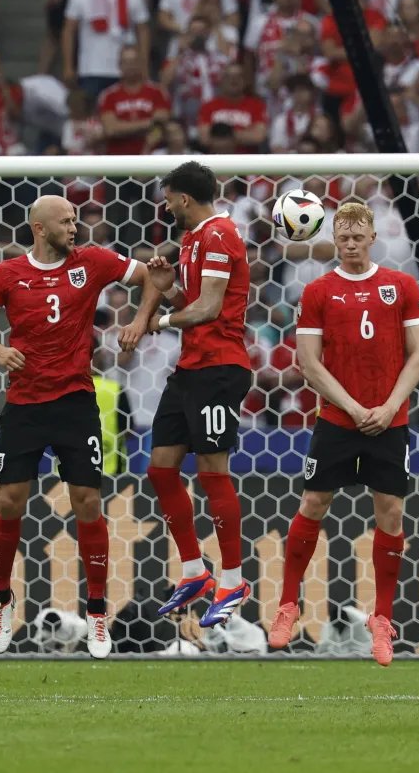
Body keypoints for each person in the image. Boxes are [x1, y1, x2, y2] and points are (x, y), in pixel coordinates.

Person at [0, 195, 159, 657]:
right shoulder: (6, 274)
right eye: (66, 222)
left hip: (75, 401)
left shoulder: (92, 262)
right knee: (9, 501)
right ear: (39, 228)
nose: (75, 228)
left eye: (75, 220)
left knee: (87, 502)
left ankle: (95, 612)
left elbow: (151, 275)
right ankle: (2, 598)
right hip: (25, 403)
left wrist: (139, 318)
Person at [269, 202, 419, 665]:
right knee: (313, 504)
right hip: (340, 420)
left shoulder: (400, 286)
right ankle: (287, 606)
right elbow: (308, 362)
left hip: (389, 420)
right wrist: (356, 407)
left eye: (359, 237)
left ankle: (382, 620)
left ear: (373, 237)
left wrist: (390, 406)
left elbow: (418, 354)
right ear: (334, 240)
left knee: (391, 513)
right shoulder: (318, 291)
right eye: (344, 238)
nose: (352, 244)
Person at [144, 161, 253, 627]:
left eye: (168, 199)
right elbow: (195, 304)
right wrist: (169, 294)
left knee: (212, 471)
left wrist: (160, 321)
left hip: (220, 369)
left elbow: (209, 309)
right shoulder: (191, 240)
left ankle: (233, 578)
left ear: (184, 199)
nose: (166, 207)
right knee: (160, 469)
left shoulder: (219, 234)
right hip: (192, 367)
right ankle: (194, 570)